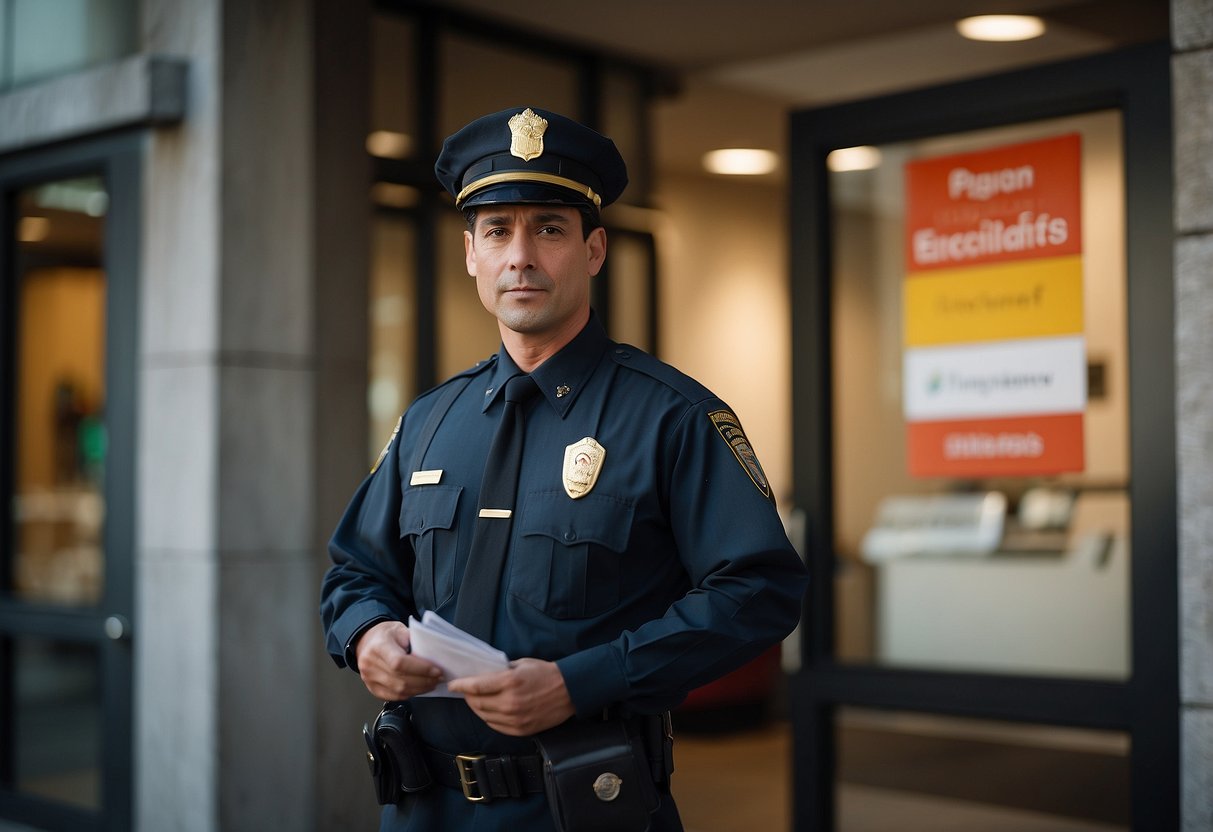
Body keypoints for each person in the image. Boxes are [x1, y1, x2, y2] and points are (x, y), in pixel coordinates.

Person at [320, 105, 809, 832]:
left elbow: (761, 590)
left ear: (594, 250)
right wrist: (366, 637)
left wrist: (582, 682)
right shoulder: (430, 421)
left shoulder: (670, 416)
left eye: (548, 228)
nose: (520, 256)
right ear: (470, 254)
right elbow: (355, 571)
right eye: (497, 231)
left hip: (586, 805)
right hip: (423, 807)